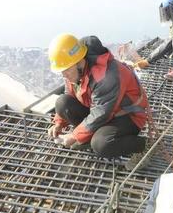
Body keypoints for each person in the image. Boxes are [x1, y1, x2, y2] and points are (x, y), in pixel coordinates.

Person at [47, 33, 151, 170]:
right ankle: (89, 136)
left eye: (66, 70)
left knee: (101, 144)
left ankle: (143, 145)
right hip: (102, 111)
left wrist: (74, 135)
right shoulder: (75, 71)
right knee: (62, 103)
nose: (64, 75)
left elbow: (101, 113)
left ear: (78, 62)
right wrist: (59, 123)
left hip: (127, 115)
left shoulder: (106, 77)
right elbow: (69, 94)